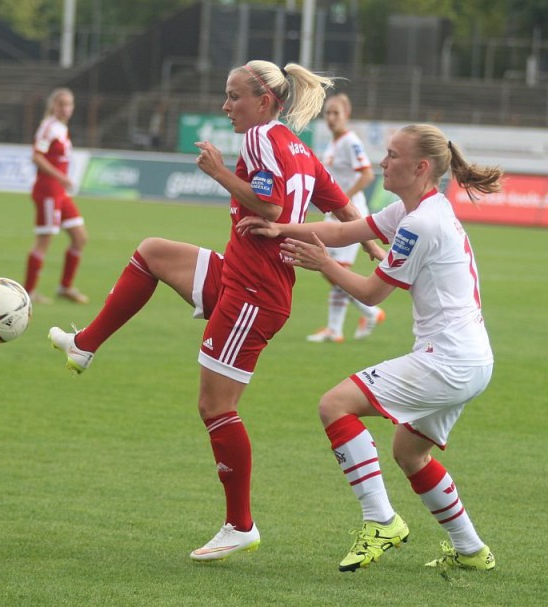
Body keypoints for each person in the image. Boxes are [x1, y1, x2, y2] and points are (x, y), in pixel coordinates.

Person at [48, 60, 384, 561]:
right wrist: (377, 250)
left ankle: (240, 524)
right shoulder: (299, 148)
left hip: (256, 292)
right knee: (152, 252)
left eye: (234, 97)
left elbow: (269, 208)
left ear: (264, 101)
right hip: (240, 275)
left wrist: (218, 172)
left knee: (216, 408)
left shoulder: (259, 140)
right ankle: (85, 345)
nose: (226, 107)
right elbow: (339, 205)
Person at [237, 123, 501, 572]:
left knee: (335, 405)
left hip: (448, 360)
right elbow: (346, 231)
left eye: (393, 154)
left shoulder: (420, 223)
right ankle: (472, 550)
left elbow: (371, 293)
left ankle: (380, 521)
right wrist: (281, 228)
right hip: (473, 359)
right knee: (409, 453)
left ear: (420, 167)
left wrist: (321, 264)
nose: (382, 161)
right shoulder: (415, 209)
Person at [307, 92, 385, 343]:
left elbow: (366, 175)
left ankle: (370, 312)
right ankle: (336, 329)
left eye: (335, 113)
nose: (330, 118)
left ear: (346, 116)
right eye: (327, 113)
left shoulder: (351, 141)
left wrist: (343, 199)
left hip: (352, 216)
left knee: (333, 269)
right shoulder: (333, 143)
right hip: (337, 215)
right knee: (330, 269)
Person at [23, 88, 89, 305]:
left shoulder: (61, 127)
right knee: (44, 241)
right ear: (53, 105)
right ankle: (28, 292)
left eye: (69, 104)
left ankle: (65, 287)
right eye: (61, 104)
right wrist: (62, 177)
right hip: (48, 190)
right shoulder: (48, 127)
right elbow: (37, 156)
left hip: (59, 191)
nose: (66, 108)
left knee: (80, 237)